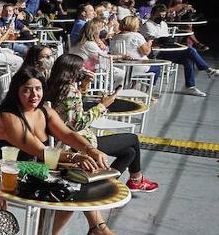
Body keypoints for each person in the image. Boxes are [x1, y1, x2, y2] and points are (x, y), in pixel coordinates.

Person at [0, 69, 134, 235]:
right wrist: (76, 157)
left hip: (32, 170)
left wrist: (90, 150)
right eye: (27, 90)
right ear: (16, 91)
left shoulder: (44, 111)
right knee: (66, 187)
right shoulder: (9, 117)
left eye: (38, 89)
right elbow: (40, 151)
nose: (34, 94)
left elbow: (68, 133)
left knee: (76, 182)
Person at [45, 54, 158, 197]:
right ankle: (134, 179)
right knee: (132, 139)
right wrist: (103, 105)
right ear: (73, 71)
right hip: (77, 143)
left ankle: (108, 182)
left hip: (59, 141)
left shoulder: (52, 85)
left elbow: (67, 111)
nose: (83, 71)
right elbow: (78, 124)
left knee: (130, 152)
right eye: (81, 69)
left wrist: (83, 87)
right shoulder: (70, 91)